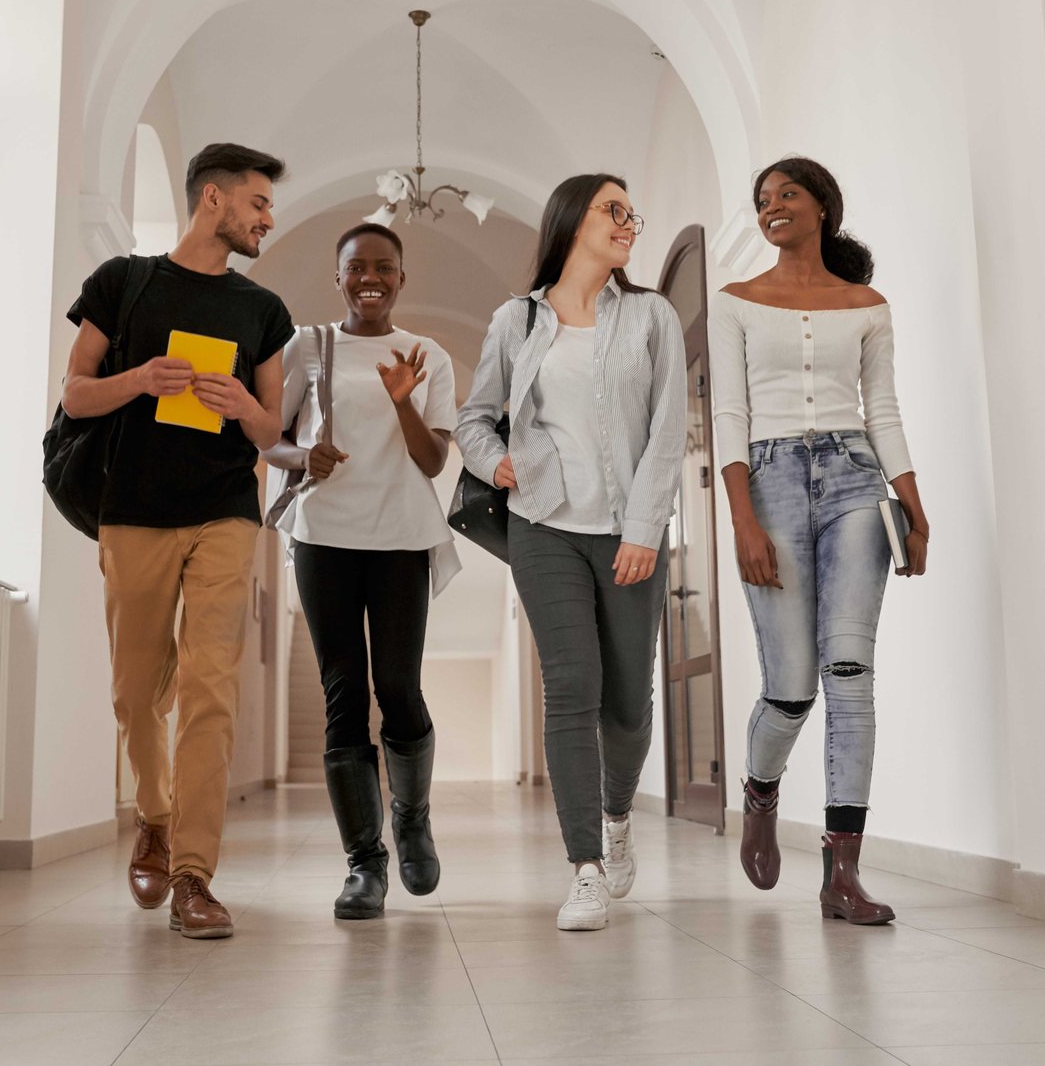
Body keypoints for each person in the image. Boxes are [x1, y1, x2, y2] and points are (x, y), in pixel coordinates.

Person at [60, 142, 294, 939]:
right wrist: (140, 379)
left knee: (210, 686)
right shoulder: (122, 283)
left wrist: (242, 406)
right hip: (131, 509)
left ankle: (194, 875)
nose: (267, 218)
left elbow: (275, 434)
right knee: (135, 693)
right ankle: (152, 818)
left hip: (225, 509)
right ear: (213, 201)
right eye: (259, 203)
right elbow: (76, 395)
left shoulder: (262, 312)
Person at [457, 174, 686, 931]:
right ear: (571, 221)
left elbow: (666, 428)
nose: (628, 222)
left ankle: (618, 818)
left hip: (627, 529)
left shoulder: (652, 316)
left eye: (632, 211)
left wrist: (647, 530)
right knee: (570, 687)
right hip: (543, 524)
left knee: (628, 705)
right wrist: (497, 464)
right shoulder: (514, 321)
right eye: (613, 210)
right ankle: (584, 866)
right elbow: (473, 420)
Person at [710, 155, 929, 925]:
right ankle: (761, 792)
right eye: (762, 198)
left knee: (850, 674)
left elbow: (885, 412)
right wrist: (742, 519)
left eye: (787, 193)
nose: (772, 206)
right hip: (767, 484)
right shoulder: (735, 302)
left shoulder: (867, 305)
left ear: (823, 207)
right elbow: (728, 417)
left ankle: (843, 873)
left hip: (853, 486)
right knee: (793, 686)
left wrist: (912, 501)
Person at [266, 223, 461, 920]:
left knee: (399, 689)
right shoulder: (309, 347)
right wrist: (301, 459)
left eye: (384, 267)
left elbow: (435, 462)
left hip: (403, 536)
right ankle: (364, 866)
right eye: (357, 267)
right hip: (325, 537)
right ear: (338, 277)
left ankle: (411, 817)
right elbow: (273, 438)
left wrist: (402, 398)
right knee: (344, 695)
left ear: (401, 279)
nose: (370, 277)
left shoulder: (427, 353)